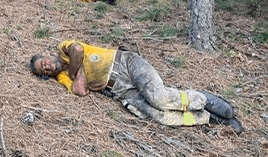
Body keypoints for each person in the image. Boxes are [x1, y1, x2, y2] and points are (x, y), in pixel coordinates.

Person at [29, 40, 243, 134]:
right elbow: (80, 91)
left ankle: (204, 99)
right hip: (119, 88)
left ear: (47, 55)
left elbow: (76, 49)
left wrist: (77, 71)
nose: (47, 67)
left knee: (158, 97)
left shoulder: (62, 48)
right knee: (158, 116)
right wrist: (76, 72)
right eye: (44, 71)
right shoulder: (63, 78)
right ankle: (209, 118)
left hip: (125, 63)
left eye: (44, 63)